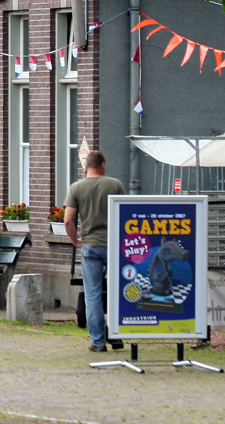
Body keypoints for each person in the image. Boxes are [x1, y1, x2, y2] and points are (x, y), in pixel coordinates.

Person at [65, 150, 127, 352]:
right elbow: (126, 213)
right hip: (114, 245)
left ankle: (98, 342)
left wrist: (75, 240)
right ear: (103, 165)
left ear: (86, 167)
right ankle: (116, 336)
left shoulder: (76, 188)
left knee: (92, 295)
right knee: (118, 291)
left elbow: (67, 220)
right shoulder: (115, 185)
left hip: (90, 245)